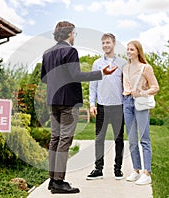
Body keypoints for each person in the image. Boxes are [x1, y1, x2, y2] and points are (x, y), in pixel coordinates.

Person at [41, 21, 118, 194]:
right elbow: (75, 75)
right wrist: (101, 73)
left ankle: (52, 180)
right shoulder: (70, 51)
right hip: (68, 102)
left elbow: (44, 78)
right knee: (64, 139)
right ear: (69, 33)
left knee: (55, 138)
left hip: (52, 101)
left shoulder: (47, 53)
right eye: (74, 33)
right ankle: (59, 182)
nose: (74, 36)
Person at [86, 33, 127, 180]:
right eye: (103, 43)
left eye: (108, 42)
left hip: (118, 106)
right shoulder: (97, 64)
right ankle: (98, 169)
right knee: (99, 138)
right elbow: (93, 85)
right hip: (101, 106)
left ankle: (118, 169)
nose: (105, 45)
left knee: (119, 139)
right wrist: (92, 104)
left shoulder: (123, 63)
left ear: (114, 43)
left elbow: (126, 84)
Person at [122, 40, 159, 185]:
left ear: (138, 51)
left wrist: (143, 92)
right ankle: (136, 170)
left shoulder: (146, 68)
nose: (129, 51)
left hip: (140, 103)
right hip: (127, 103)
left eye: (132, 49)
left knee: (144, 138)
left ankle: (147, 173)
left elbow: (155, 87)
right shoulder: (125, 68)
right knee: (131, 140)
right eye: (127, 49)